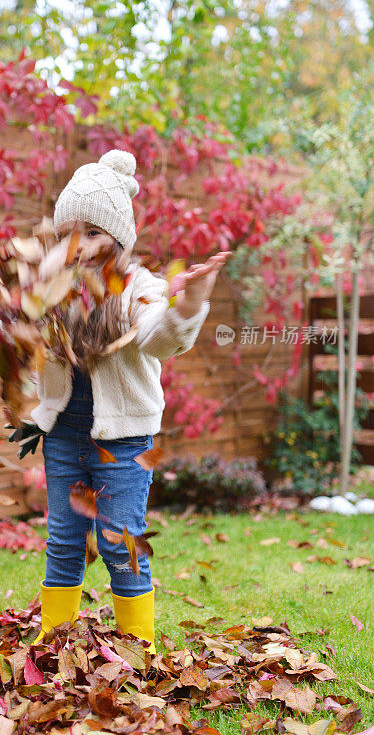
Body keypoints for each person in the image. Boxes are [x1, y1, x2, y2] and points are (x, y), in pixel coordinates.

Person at [30, 149, 230, 652]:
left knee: (121, 542)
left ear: (119, 238)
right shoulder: (53, 290)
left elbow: (161, 338)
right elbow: (12, 336)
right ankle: (54, 644)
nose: (81, 246)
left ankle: (135, 649)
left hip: (122, 440)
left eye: (93, 233)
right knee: (65, 540)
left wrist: (189, 302)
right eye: (70, 234)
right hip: (63, 434)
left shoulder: (139, 288)